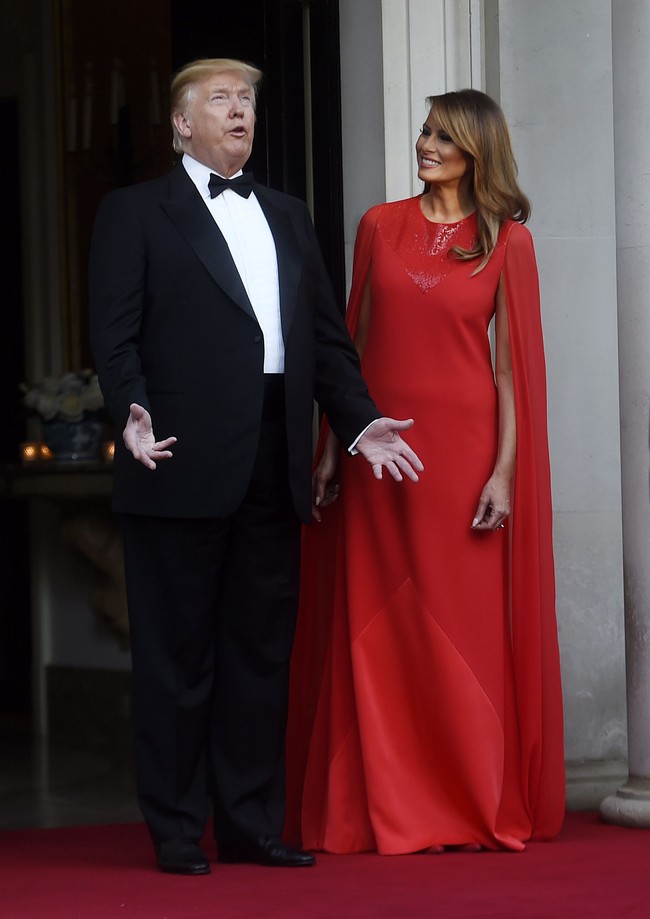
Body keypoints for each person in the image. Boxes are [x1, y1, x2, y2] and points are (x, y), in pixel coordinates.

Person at [89, 57, 423, 876]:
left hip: (271, 470)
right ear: (180, 124)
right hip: (174, 463)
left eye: (247, 100)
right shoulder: (134, 212)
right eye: (221, 100)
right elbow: (115, 331)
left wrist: (358, 422)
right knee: (176, 663)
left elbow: (323, 340)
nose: (240, 111)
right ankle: (173, 828)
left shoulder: (285, 213)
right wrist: (127, 404)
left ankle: (249, 825)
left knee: (257, 661)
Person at [285, 88, 565, 854]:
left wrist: (504, 472)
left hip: (464, 457)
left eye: (444, 135)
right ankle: (376, 802)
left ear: (478, 150)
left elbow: (511, 372)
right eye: (425, 130)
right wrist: (331, 447)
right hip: (379, 453)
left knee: (461, 628)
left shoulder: (509, 240)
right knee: (377, 622)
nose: (426, 143)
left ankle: (467, 800)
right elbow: (350, 343)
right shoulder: (378, 225)